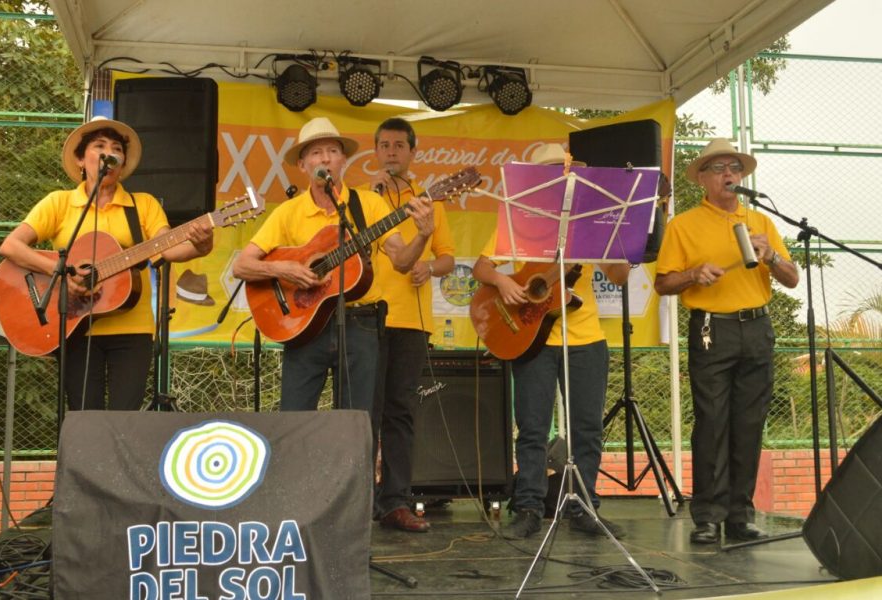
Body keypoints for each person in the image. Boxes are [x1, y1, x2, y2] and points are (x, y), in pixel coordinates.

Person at [0, 117, 214, 411]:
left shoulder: (143, 204)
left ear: (122, 164)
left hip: (133, 330)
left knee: (123, 419)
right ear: (80, 159)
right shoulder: (59, 202)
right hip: (75, 328)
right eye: (99, 146)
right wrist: (61, 274)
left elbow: (168, 248)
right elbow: (10, 246)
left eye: (116, 148)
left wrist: (201, 246)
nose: (108, 153)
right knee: (84, 417)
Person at [471, 143, 630, 540]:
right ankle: (527, 507)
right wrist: (504, 280)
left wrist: (623, 240)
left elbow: (620, 276)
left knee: (587, 428)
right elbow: (481, 267)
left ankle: (585, 506)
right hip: (531, 339)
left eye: (561, 173)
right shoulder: (517, 218)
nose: (557, 181)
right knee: (532, 426)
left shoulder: (591, 221)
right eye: (546, 174)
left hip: (587, 337)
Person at [232, 117, 434, 414]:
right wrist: (284, 269)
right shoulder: (288, 212)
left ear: (343, 160)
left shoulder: (369, 204)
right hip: (303, 325)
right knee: (294, 420)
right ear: (302, 165)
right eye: (315, 152)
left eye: (332, 151)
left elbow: (402, 262)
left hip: (360, 324)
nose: (324, 157)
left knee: (354, 422)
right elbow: (242, 265)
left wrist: (423, 234)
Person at [654, 138, 799, 545]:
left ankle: (740, 514)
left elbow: (791, 278)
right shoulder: (683, 224)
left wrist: (770, 257)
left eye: (733, 167)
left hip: (757, 328)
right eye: (718, 168)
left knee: (749, 424)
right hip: (710, 329)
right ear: (702, 178)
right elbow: (663, 282)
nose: (728, 174)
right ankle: (708, 516)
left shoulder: (761, 222)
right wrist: (692, 274)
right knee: (713, 422)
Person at [360, 118, 456, 533]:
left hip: (411, 321)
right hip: (364, 317)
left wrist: (429, 267)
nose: (392, 152)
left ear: (413, 152)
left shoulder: (429, 201)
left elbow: (448, 258)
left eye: (400, 145)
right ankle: (357, 501)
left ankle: (395, 503)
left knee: (401, 412)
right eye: (384, 145)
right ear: (376, 152)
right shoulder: (360, 199)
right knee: (364, 413)